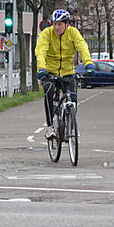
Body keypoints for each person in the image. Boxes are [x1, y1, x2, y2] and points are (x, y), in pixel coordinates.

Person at [35, 9, 94, 139]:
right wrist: (41, 69)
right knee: (49, 91)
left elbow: (82, 47)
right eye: (54, 24)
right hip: (50, 72)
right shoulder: (46, 34)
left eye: (60, 24)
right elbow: (41, 51)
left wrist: (88, 63)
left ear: (67, 25)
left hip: (67, 72)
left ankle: (71, 126)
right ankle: (50, 127)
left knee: (73, 98)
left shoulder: (73, 33)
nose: (56, 27)